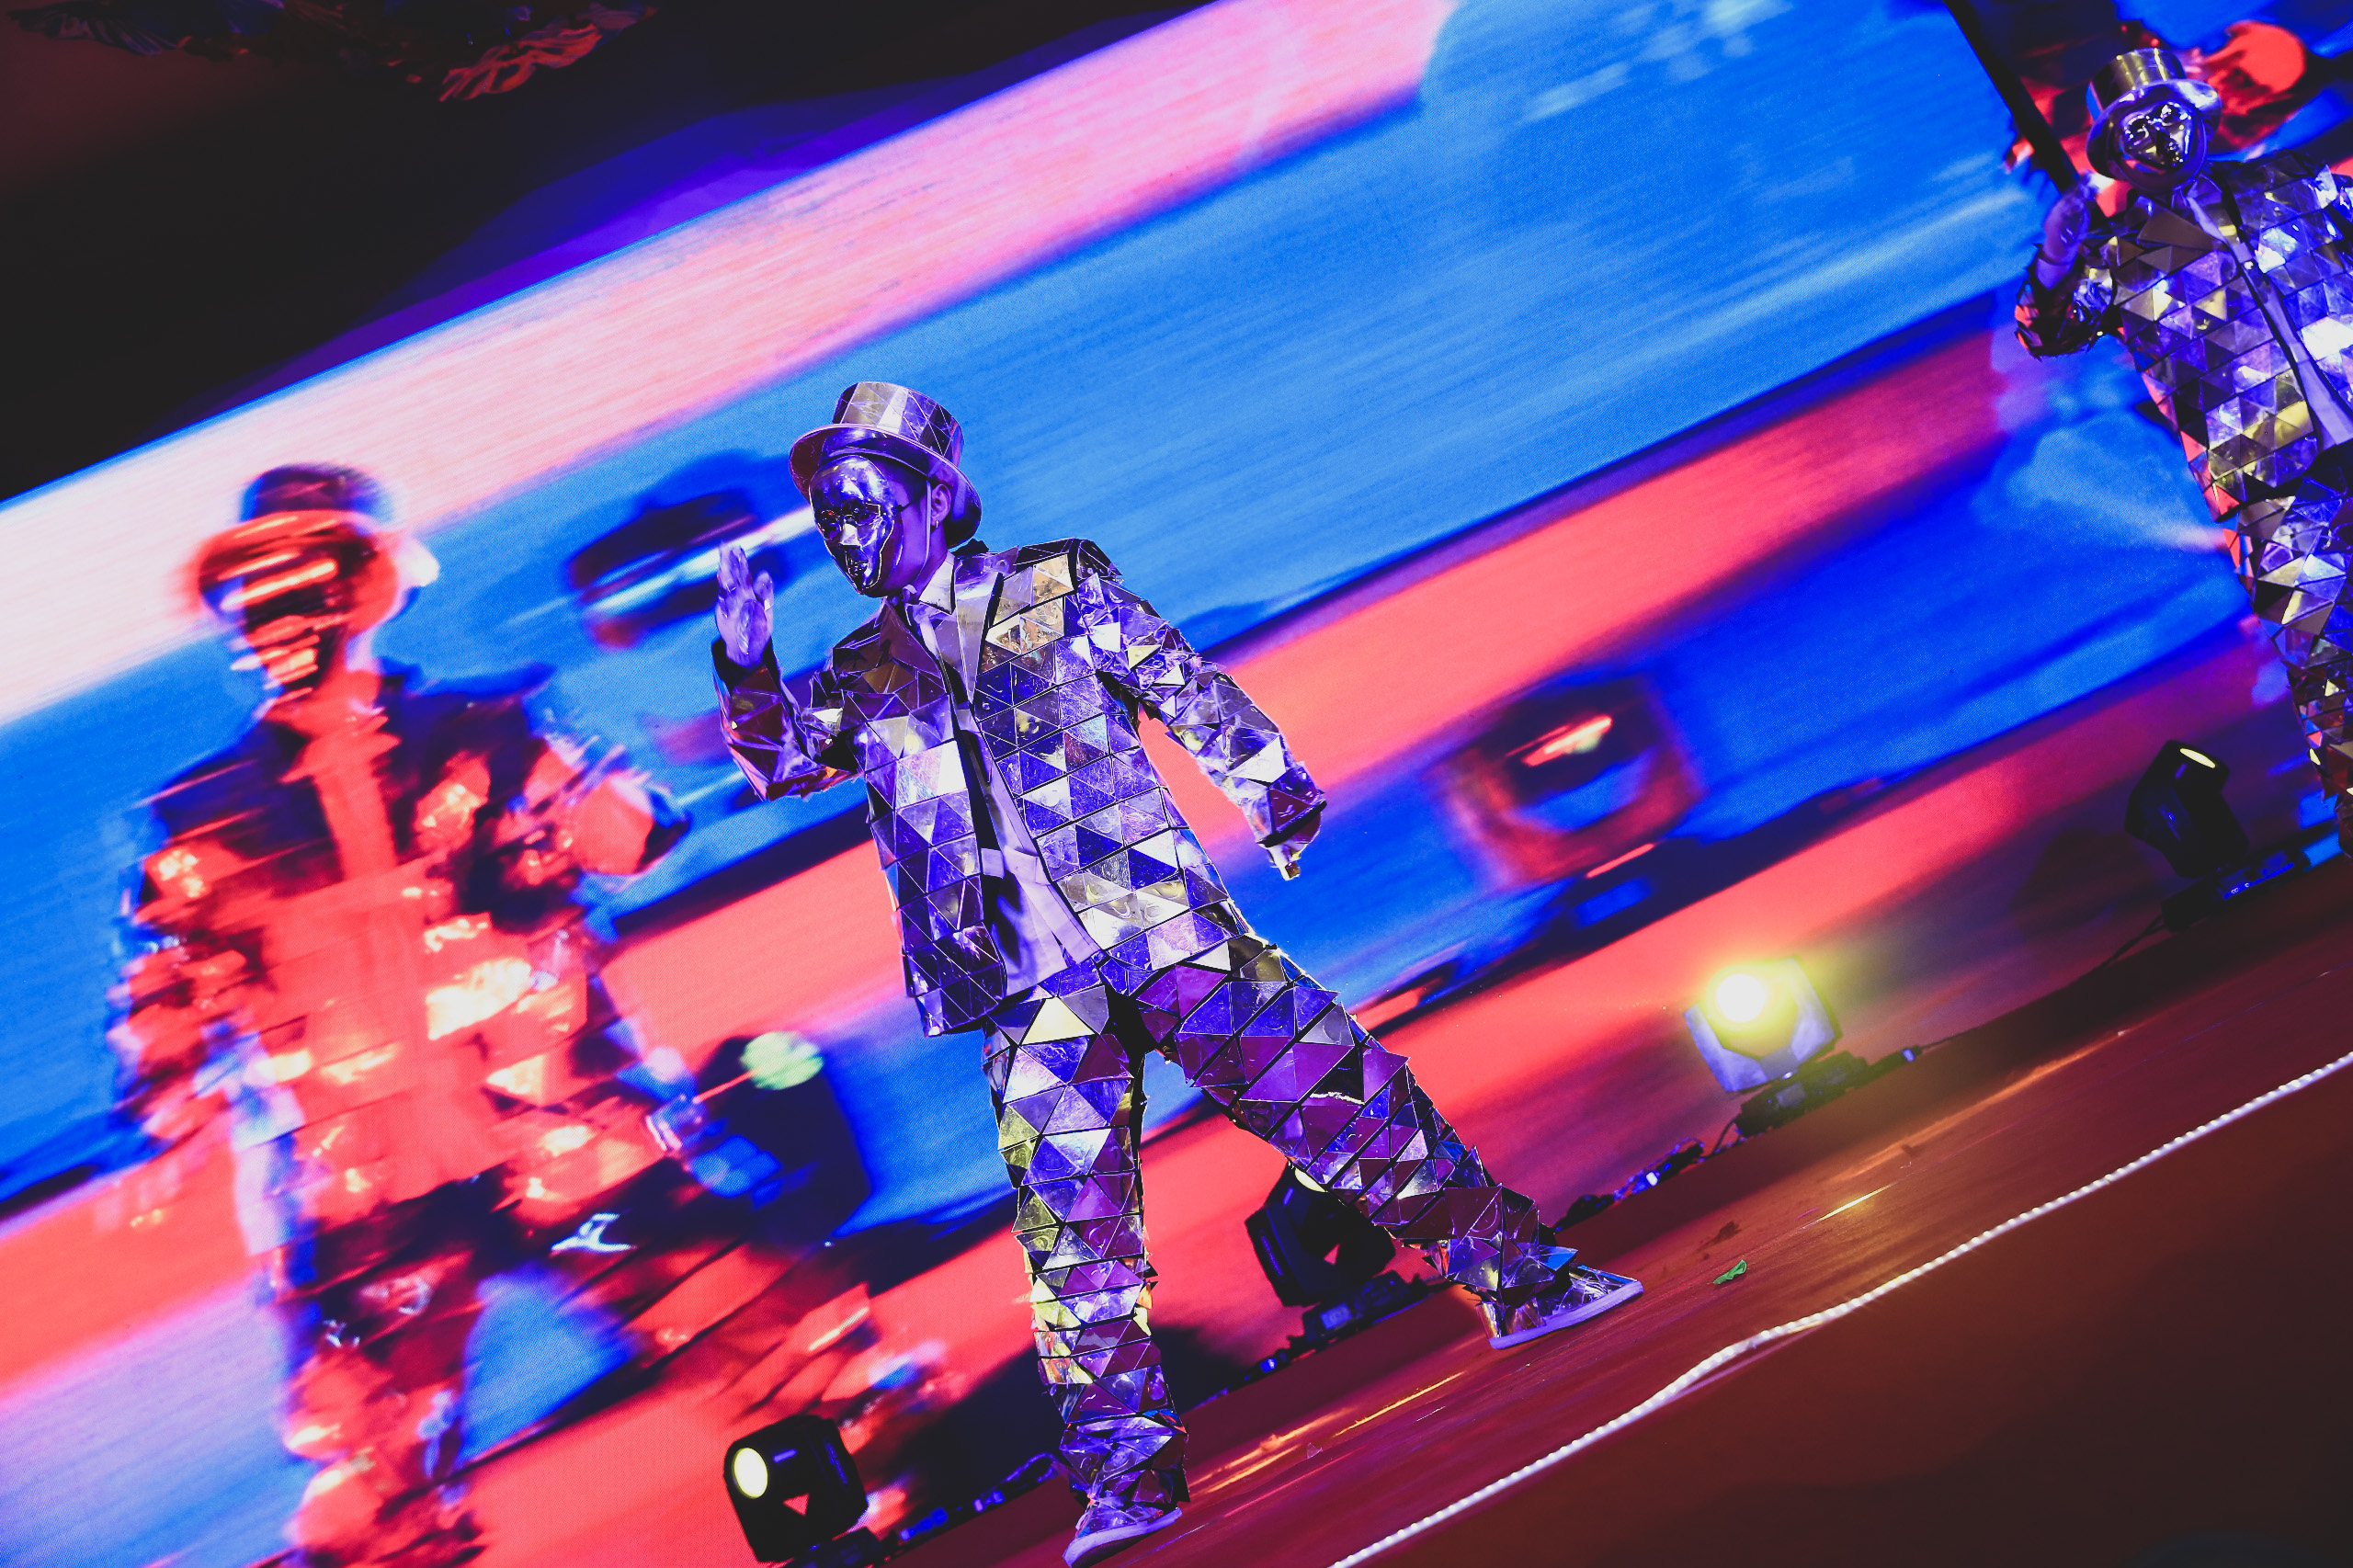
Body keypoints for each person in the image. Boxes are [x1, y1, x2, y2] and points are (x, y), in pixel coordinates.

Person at [710, 383, 1643, 1567]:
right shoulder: (861, 667)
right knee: (1075, 1243)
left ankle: (1523, 1279)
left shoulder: (1054, 584)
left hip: (1157, 924)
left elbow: (1178, 680)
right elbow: (781, 760)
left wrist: (1271, 782)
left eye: (862, 501)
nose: (845, 532)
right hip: (1024, 986)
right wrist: (745, 658)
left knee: (1349, 1101)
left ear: (935, 495)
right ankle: (1124, 1475)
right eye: (829, 515)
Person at [112, 467, 690, 1567]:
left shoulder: (490, 727)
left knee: (758, 1323)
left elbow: (631, 839)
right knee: (369, 1472)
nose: (270, 618)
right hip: (363, 1192)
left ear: (362, 584)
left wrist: (581, 785)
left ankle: (891, 1483)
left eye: (294, 584)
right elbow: (167, 978)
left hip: (563, 1134)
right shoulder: (199, 821)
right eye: (249, 596)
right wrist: (166, 1098)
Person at [2019, 47, 2353, 842]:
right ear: (2118, 151)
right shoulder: (2120, 257)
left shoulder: (2290, 181)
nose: (2161, 135)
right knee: (2328, 656)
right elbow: (2046, 330)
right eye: (2138, 128)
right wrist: (2057, 254)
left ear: (2199, 114)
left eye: (2168, 114)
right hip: (2272, 486)